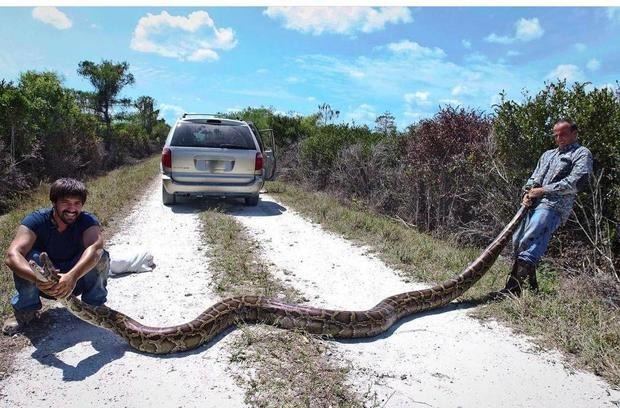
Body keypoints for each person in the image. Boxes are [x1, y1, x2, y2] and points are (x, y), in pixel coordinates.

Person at [497, 119, 593, 297]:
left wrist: (543, 190)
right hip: (531, 204)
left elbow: (576, 182)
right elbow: (534, 177)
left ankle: (512, 290)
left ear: (574, 133)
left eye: (563, 134)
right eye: (556, 135)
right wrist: (527, 190)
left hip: (553, 206)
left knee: (530, 240)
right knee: (518, 243)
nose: (559, 138)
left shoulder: (581, 153)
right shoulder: (547, 154)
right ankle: (533, 288)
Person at [2, 178, 109, 335]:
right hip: (42, 282)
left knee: (101, 256)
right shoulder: (36, 220)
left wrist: (72, 276)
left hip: (75, 280)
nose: (72, 208)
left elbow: (96, 248)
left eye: (77, 203)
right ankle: (25, 310)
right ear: (54, 202)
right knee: (29, 258)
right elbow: (12, 255)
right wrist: (37, 278)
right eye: (66, 202)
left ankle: (94, 305)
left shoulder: (87, 220)